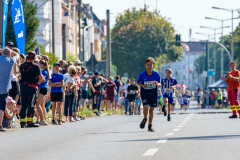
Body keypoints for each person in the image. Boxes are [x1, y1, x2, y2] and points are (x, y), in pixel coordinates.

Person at [19, 51, 43, 128]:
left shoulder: (22, 66)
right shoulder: (36, 66)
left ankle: (22, 122)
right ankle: (30, 122)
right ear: (33, 58)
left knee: (24, 105)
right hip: (32, 87)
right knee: (31, 104)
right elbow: (40, 77)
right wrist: (37, 85)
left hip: (23, 87)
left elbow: (19, 76)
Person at [137, 57, 161, 132]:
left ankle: (150, 125)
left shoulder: (156, 74)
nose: (149, 66)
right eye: (148, 64)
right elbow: (138, 82)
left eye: (150, 65)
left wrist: (157, 84)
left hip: (153, 93)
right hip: (145, 93)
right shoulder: (142, 74)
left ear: (153, 65)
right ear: (145, 65)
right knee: (146, 107)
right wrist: (142, 85)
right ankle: (145, 118)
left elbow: (160, 84)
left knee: (151, 110)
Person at [0, 48, 19, 131]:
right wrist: (11, 52)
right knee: (1, 107)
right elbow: (17, 55)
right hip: (4, 88)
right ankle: (0, 125)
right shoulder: (10, 61)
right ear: (9, 54)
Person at [36, 60, 50, 125]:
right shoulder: (45, 71)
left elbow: (42, 80)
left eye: (39, 64)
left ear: (42, 65)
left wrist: (37, 83)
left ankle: (42, 119)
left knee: (38, 104)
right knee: (42, 105)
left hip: (42, 88)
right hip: (44, 88)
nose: (38, 65)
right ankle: (44, 119)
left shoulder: (43, 72)